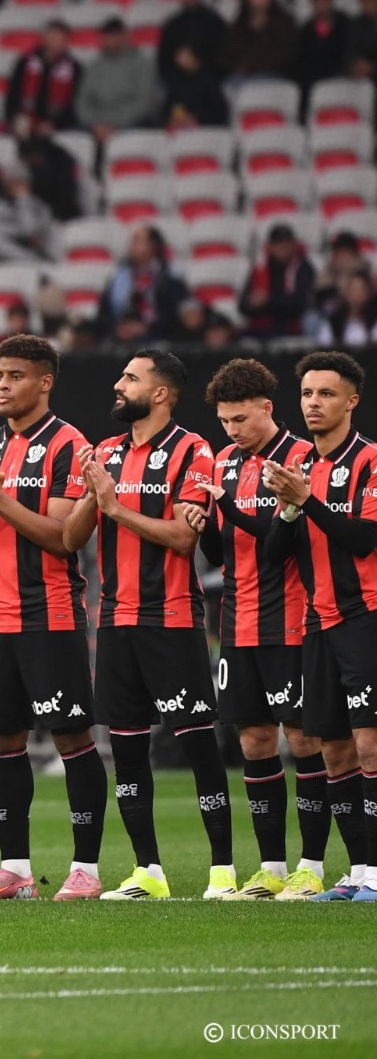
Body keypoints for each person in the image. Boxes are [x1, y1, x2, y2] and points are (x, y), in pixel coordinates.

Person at [62, 349, 236, 900]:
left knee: (197, 745)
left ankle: (223, 872)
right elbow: (70, 539)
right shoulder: (105, 452)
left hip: (173, 616)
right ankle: (147, 872)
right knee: (127, 746)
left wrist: (115, 509)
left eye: (130, 379)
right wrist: (94, 496)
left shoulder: (193, 451)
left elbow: (186, 540)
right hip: (116, 619)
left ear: (160, 394)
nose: (118, 385)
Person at [0, 336, 108, 900]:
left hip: (51, 615)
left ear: (44, 382)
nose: (3, 385)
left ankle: (85, 867)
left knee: (70, 738)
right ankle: (14, 869)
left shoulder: (70, 446)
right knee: (2, 743)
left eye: (15, 376)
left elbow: (64, 539)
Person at [180, 359, 327, 900]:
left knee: (304, 737)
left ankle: (311, 867)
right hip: (237, 622)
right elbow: (222, 551)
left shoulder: (300, 458)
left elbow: (279, 543)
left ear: (268, 407)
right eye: (224, 421)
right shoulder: (221, 463)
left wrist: (231, 511)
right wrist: (203, 528)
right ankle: (270, 867)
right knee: (254, 739)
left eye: (241, 419)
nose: (232, 430)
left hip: (292, 619)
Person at [261, 351, 377, 901]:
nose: (313, 403)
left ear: (351, 401)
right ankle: (357, 873)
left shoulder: (371, 461)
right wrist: (287, 507)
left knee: (371, 744)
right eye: (307, 394)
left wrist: (305, 499)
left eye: (326, 394)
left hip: (366, 617)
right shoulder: (298, 466)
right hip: (318, 621)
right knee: (334, 751)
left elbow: (362, 539)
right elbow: (271, 554)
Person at [95, 225, 189, 344]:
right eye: (132, 241)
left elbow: (175, 315)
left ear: (153, 246)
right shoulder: (119, 277)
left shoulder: (169, 277)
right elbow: (103, 314)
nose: (131, 246)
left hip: (159, 337)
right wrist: (118, 328)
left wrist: (146, 327)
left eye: (137, 241)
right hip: (122, 338)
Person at [77, 19, 160, 143]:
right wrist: (95, 124)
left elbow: (145, 102)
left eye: (112, 35)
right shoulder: (95, 66)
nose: (107, 40)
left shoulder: (141, 63)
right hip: (96, 124)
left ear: (123, 36)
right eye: (105, 36)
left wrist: (114, 124)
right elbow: (82, 101)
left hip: (130, 122)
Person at [5, 20, 83, 138]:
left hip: (60, 126)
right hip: (25, 122)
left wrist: (55, 124)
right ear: (44, 39)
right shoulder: (25, 64)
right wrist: (17, 118)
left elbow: (75, 105)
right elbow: (12, 98)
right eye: (53, 38)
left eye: (61, 40)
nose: (57, 43)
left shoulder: (75, 69)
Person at [241, 224, 317, 340]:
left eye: (287, 242)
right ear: (270, 246)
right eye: (279, 243)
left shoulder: (303, 268)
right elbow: (243, 305)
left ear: (294, 245)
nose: (283, 247)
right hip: (261, 329)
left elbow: (300, 303)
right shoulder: (260, 269)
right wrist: (253, 304)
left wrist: (267, 300)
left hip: (291, 329)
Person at [0, 163, 56, 263]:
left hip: (33, 246)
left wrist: (23, 201)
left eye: (20, 181)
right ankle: (31, 261)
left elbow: (31, 230)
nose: (15, 185)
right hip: (7, 249)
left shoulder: (40, 206)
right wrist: (18, 233)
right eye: (12, 181)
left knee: (55, 231)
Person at [221, 0, 297, 85]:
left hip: (275, 76)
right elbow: (229, 53)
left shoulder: (283, 24)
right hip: (241, 76)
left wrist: (253, 66)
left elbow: (285, 56)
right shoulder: (240, 25)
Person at [297, 0, 353, 110]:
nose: (321, 4)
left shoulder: (346, 24)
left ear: (331, 0)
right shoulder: (305, 31)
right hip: (316, 84)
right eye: (317, 0)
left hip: (344, 79)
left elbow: (350, 53)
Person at [158, 0, 228, 85]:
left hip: (209, 88)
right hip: (179, 88)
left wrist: (197, 64)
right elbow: (163, 62)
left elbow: (224, 60)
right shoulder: (173, 25)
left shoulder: (215, 23)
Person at [163, 44, 231, 129]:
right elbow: (170, 105)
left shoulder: (208, 79)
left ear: (193, 57)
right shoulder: (175, 80)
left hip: (207, 132)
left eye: (183, 55)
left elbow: (219, 111)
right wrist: (172, 117)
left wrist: (198, 118)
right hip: (181, 131)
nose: (178, 58)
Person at [320, 270, 377, 347]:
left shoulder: (374, 320)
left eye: (361, 290)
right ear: (345, 292)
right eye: (353, 290)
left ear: (368, 293)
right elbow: (324, 347)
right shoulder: (334, 321)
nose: (356, 295)